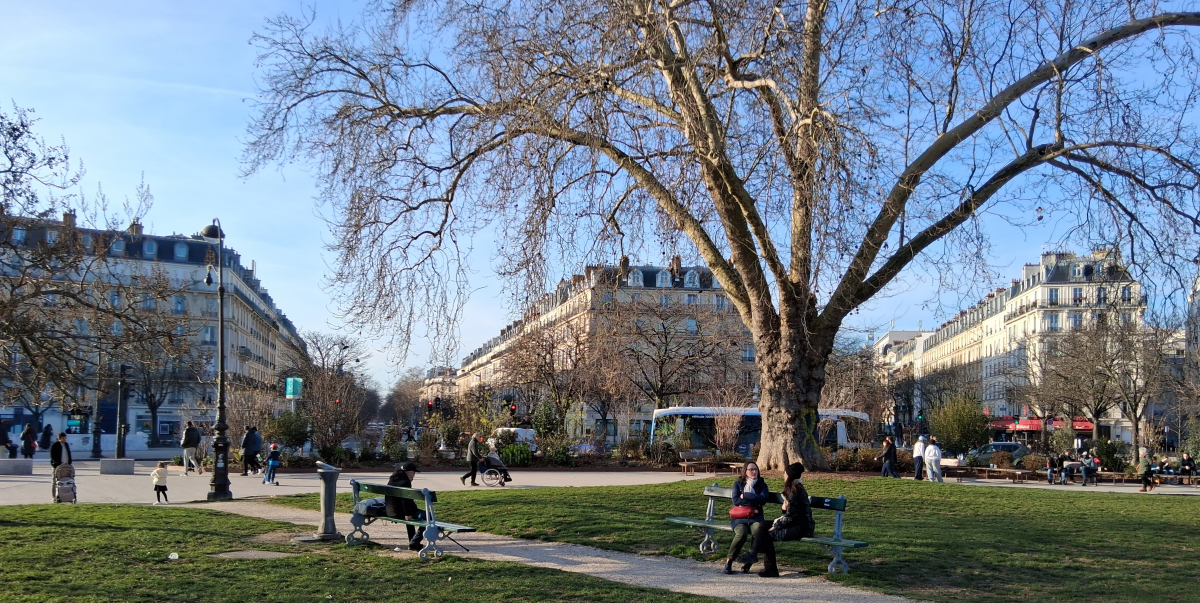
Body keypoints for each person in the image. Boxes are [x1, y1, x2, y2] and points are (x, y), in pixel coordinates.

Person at [739, 462, 815, 578]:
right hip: (796, 523)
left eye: (785, 473)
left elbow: (792, 517)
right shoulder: (795, 488)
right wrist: (784, 510)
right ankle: (754, 556)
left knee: (767, 534)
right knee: (764, 526)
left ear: (789, 476)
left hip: (801, 528)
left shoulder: (794, 491)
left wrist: (777, 525)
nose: (784, 475)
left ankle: (766, 566)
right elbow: (793, 513)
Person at [724, 461, 769, 575]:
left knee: (758, 531)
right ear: (745, 471)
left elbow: (763, 499)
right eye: (751, 469)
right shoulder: (738, 484)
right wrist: (753, 503)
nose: (754, 472)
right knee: (741, 534)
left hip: (756, 517)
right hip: (740, 517)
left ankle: (750, 559)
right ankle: (729, 561)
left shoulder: (762, 484)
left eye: (755, 469)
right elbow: (736, 500)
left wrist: (746, 496)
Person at [385, 461, 425, 551]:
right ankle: (414, 542)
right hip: (402, 512)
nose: (414, 476)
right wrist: (408, 514)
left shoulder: (393, 478)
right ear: (410, 473)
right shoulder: (405, 482)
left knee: (412, 517)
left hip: (391, 511)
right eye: (414, 473)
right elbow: (405, 500)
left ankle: (413, 541)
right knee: (429, 516)